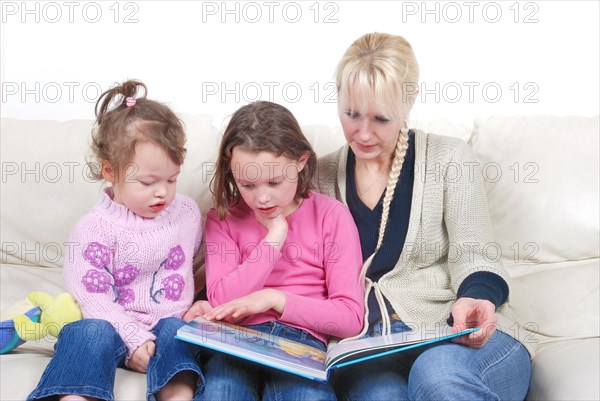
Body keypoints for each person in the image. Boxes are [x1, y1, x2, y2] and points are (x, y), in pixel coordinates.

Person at [314, 33, 535, 401]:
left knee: (435, 375)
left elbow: (475, 253)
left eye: (381, 119)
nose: (363, 133)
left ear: (409, 102)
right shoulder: (320, 177)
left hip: (463, 338)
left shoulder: (450, 159)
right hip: (374, 351)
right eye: (351, 113)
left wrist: (476, 297)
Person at [27, 80, 204, 401]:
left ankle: (178, 397)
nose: (163, 191)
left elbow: (194, 266)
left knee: (180, 335)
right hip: (111, 323)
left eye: (172, 179)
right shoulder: (94, 229)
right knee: (85, 332)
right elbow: (92, 297)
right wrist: (133, 336)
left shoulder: (187, 213)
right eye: (148, 182)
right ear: (110, 171)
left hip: (168, 323)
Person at [184, 101, 364, 401]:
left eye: (274, 182)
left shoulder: (331, 215)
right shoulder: (223, 218)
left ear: (301, 161)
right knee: (222, 393)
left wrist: (275, 299)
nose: (263, 197)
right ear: (232, 172)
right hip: (235, 339)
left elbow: (349, 318)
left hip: (301, 343)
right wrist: (275, 236)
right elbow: (221, 299)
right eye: (248, 184)